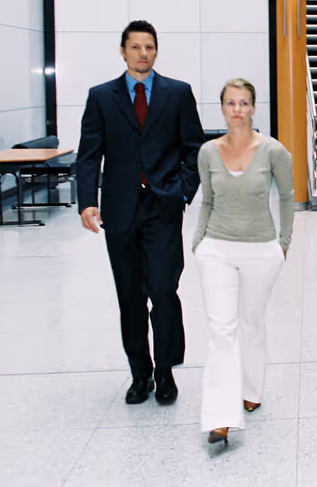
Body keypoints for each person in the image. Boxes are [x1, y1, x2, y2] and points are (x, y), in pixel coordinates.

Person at [77, 20, 205, 406]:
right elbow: (88, 156)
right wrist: (87, 201)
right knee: (130, 296)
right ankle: (140, 374)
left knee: (164, 291)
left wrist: (182, 190)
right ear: (123, 51)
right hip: (120, 210)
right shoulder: (101, 97)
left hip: (163, 206)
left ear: (156, 50)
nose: (143, 53)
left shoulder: (177, 93)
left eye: (149, 46)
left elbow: (194, 147)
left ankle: (165, 371)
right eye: (135, 47)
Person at [192, 78, 293, 445]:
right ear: (222, 108)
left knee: (250, 322)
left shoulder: (273, 151)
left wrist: (284, 242)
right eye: (231, 103)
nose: (237, 110)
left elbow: (286, 196)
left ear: (253, 108)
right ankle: (220, 416)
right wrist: (199, 241)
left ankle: (251, 388)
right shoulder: (207, 151)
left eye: (244, 103)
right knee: (222, 329)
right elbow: (206, 200)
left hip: (261, 250)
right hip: (216, 248)